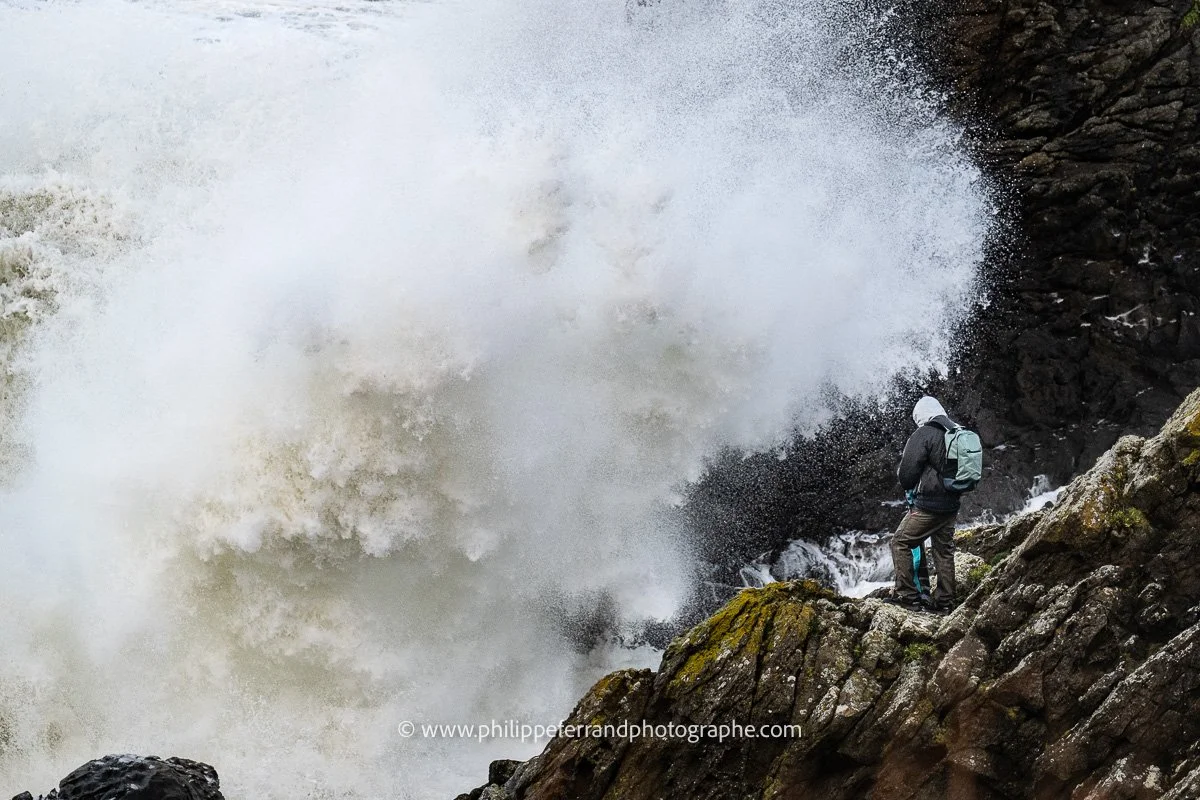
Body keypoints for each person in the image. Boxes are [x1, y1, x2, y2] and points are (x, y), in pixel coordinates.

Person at [889, 396, 960, 612]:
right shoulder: (956, 431)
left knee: (900, 542)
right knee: (944, 550)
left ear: (921, 414)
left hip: (929, 505)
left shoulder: (923, 434)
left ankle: (907, 596)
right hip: (952, 503)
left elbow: (907, 476)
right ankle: (944, 603)